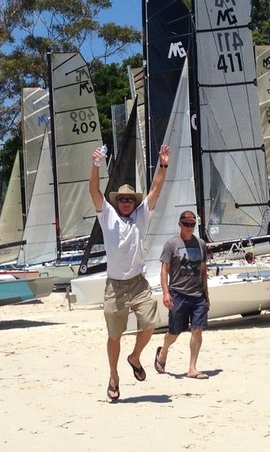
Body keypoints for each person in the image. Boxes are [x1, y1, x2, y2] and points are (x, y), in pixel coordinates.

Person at [90, 143, 171, 402]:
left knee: (150, 325)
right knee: (114, 336)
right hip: (114, 286)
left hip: (138, 283)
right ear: (117, 202)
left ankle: (135, 357)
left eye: (129, 200)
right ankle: (114, 377)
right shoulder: (107, 216)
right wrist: (94, 166)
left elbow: (156, 188)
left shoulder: (141, 216)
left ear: (133, 203)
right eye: (122, 199)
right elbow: (93, 190)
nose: (125, 203)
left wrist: (163, 164)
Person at [155, 210, 210, 380]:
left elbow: (203, 271)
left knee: (197, 330)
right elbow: (164, 270)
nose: (189, 228)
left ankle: (192, 368)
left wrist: (206, 295)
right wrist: (165, 293)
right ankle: (163, 352)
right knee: (174, 332)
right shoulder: (172, 244)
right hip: (178, 293)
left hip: (198, 294)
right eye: (186, 224)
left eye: (192, 225)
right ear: (179, 224)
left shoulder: (200, 244)